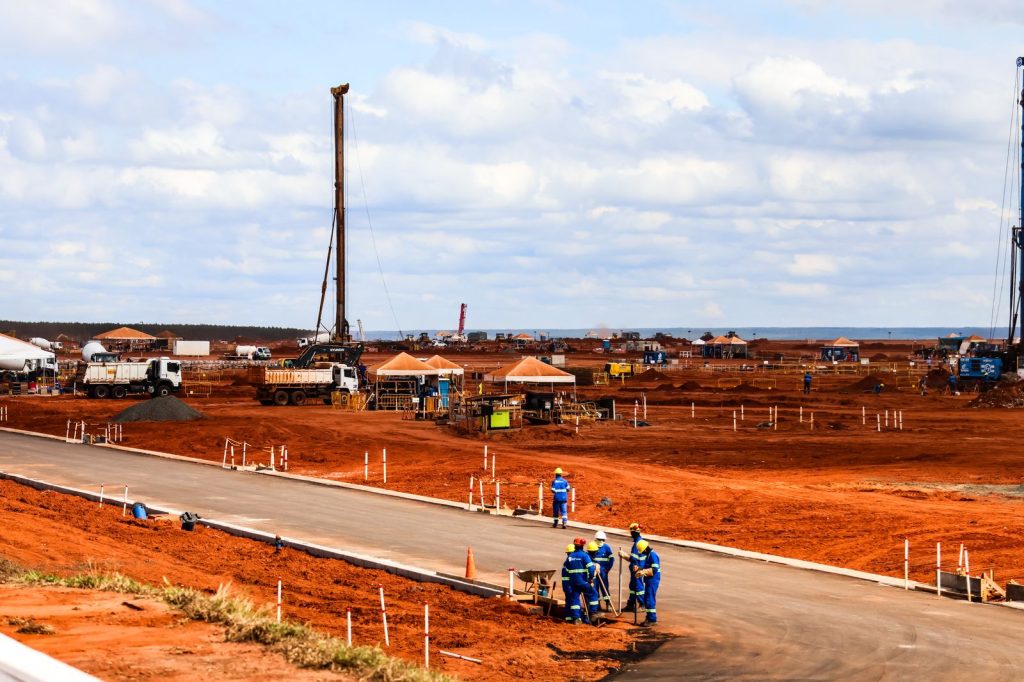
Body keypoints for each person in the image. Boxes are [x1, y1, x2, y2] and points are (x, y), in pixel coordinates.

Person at [563, 539, 598, 624]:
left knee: (575, 600)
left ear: (575, 546)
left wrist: (568, 584)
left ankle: (576, 619)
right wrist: (591, 578)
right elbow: (591, 568)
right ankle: (593, 613)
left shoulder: (570, 556)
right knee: (593, 594)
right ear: (582, 546)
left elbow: (565, 571)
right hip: (583, 582)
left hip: (573, 583)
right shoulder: (585, 555)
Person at [620, 522, 645, 613]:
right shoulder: (639, 541)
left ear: (633, 532)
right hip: (636, 568)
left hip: (637, 569)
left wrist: (624, 556)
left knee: (638, 587)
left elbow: (633, 558)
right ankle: (631, 604)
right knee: (633, 587)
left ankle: (642, 604)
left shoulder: (637, 543)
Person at [635, 539, 661, 627]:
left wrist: (643, 572)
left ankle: (652, 619)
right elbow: (647, 566)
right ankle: (649, 617)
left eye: (642, 551)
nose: (642, 553)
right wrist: (639, 568)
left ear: (645, 549)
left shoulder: (653, 555)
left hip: (653, 581)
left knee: (649, 599)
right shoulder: (649, 555)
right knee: (647, 599)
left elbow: (655, 569)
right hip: (649, 580)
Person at [592, 530, 615, 611]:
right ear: (596, 539)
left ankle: (608, 603)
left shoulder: (607, 547)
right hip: (594, 571)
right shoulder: (592, 546)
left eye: (603, 540)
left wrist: (607, 569)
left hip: (603, 572)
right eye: (599, 539)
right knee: (595, 588)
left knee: (605, 587)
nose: (601, 541)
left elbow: (611, 559)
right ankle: (597, 605)